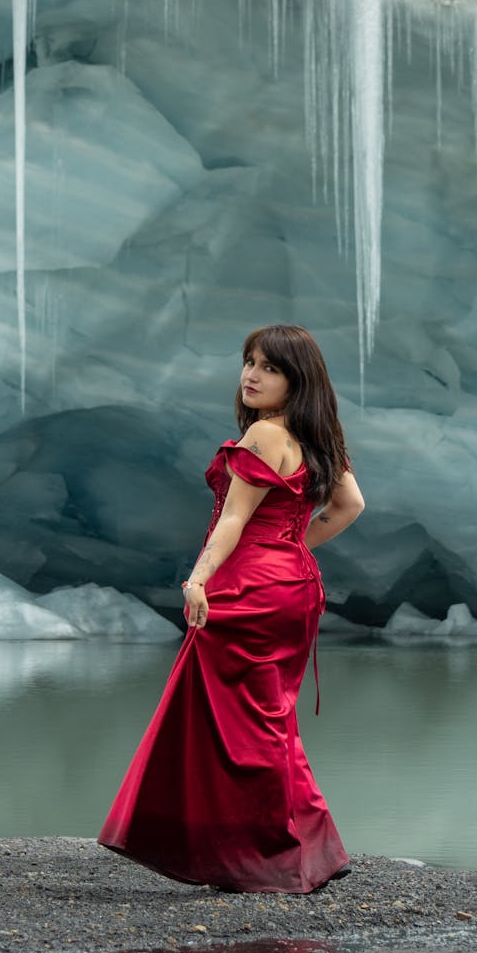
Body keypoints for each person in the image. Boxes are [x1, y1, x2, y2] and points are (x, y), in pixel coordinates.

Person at [98, 323, 365, 894]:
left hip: (247, 589)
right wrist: (288, 550)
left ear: (297, 380)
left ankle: (273, 856)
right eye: (249, 361)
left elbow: (234, 520)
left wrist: (198, 578)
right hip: (294, 586)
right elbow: (349, 506)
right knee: (271, 715)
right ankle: (318, 847)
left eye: (269, 367)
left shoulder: (267, 435)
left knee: (243, 725)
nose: (251, 374)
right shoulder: (319, 436)